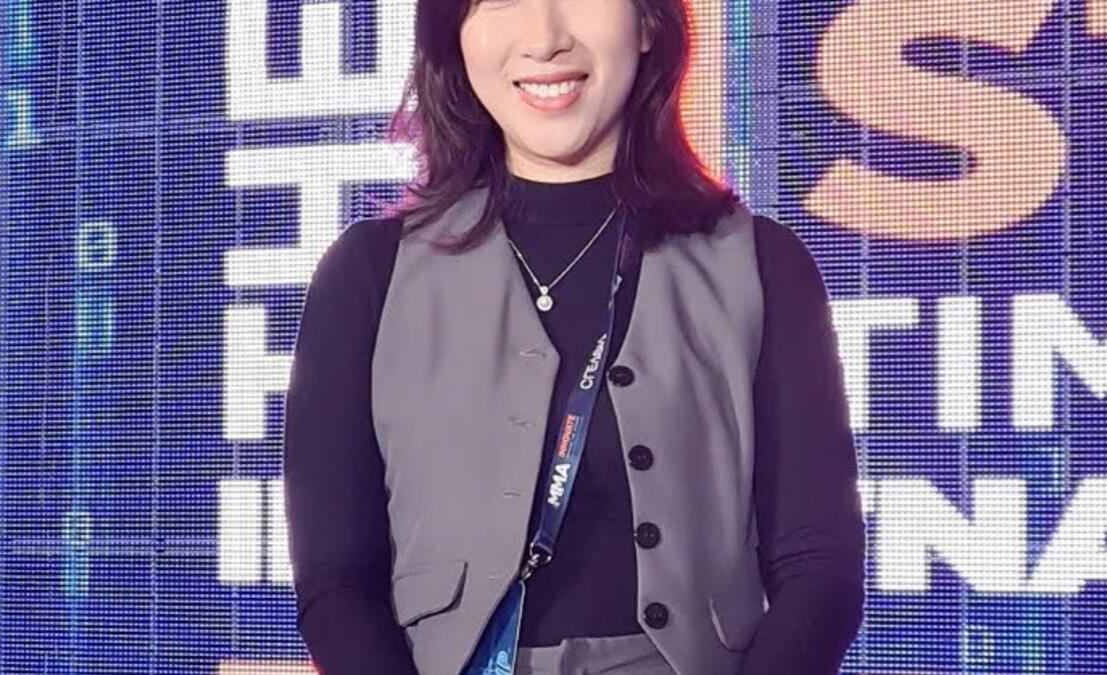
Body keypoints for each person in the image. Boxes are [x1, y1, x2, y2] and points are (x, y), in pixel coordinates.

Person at [282, 0, 866, 673]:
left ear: (647, 23)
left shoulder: (761, 265)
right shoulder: (368, 274)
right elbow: (336, 580)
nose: (545, 38)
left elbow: (819, 569)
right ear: (454, 36)